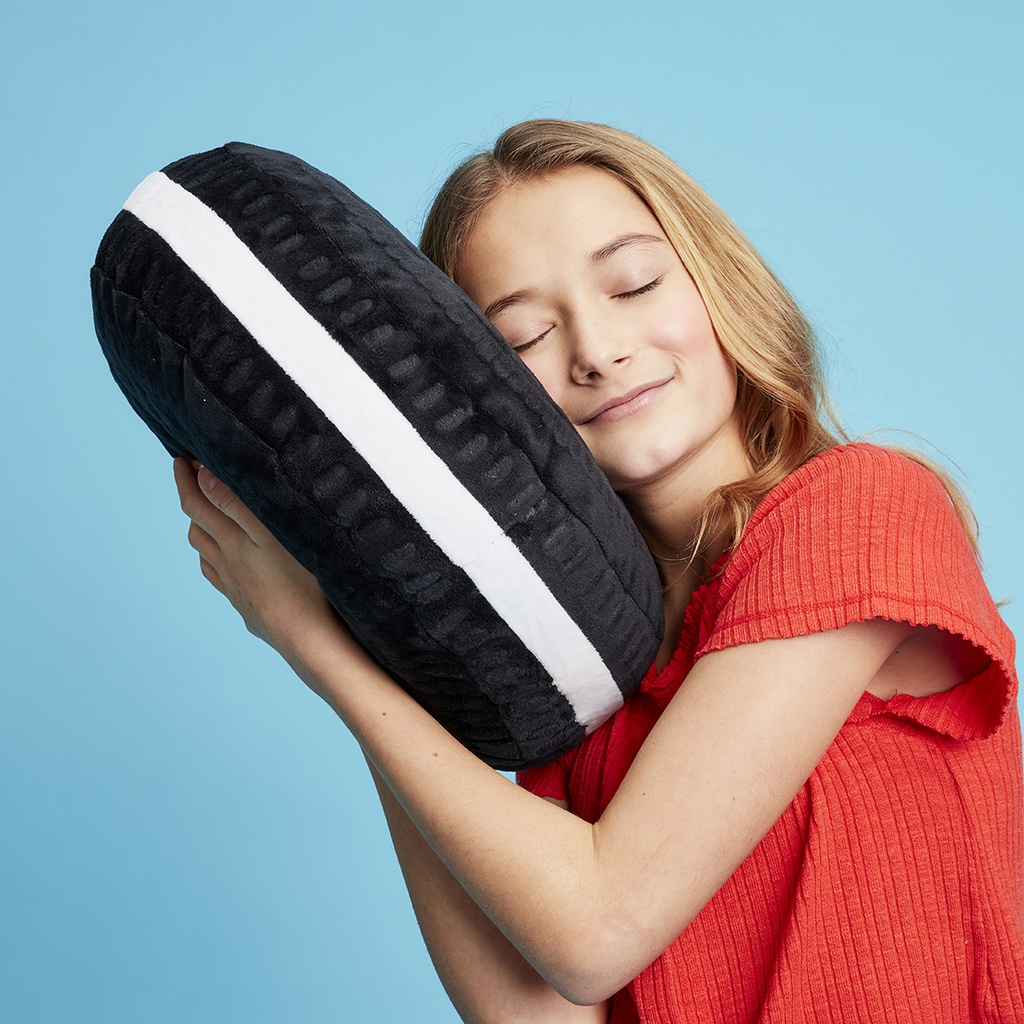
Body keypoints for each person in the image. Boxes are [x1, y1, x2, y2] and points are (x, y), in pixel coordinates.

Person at [174, 120, 1023, 1022]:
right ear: (471, 406)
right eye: (525, 337)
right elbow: (535, 1014)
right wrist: (372, 624)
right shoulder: (579, 670)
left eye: (634, 283)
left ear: (713, 281)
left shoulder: (859, 510)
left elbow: (596, 931)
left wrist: (316, 647)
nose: (596, 351)